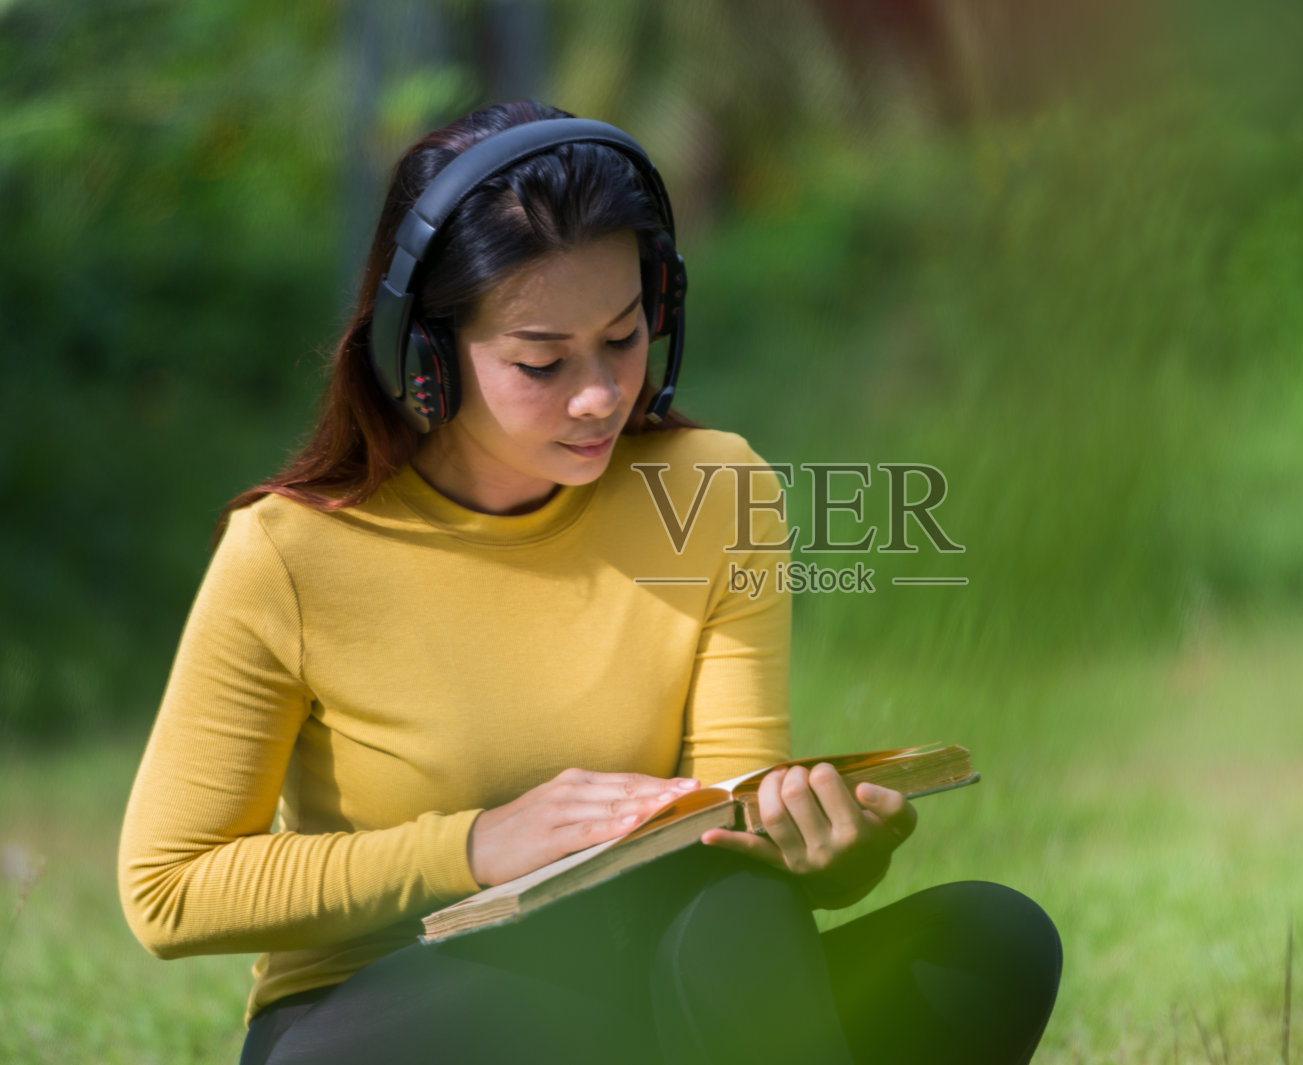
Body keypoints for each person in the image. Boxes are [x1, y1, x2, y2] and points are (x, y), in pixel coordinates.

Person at [117, 100, 1062, 1064]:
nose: (601, 393)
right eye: (541, 360)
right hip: (380, 1014)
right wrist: (480, 844)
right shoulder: (289, 553)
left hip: (637, 979)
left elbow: (723, 833)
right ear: (427, 359)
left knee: (984, 945)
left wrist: (820, 856)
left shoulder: (716, 486)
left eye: (623, 335)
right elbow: (169, 888)